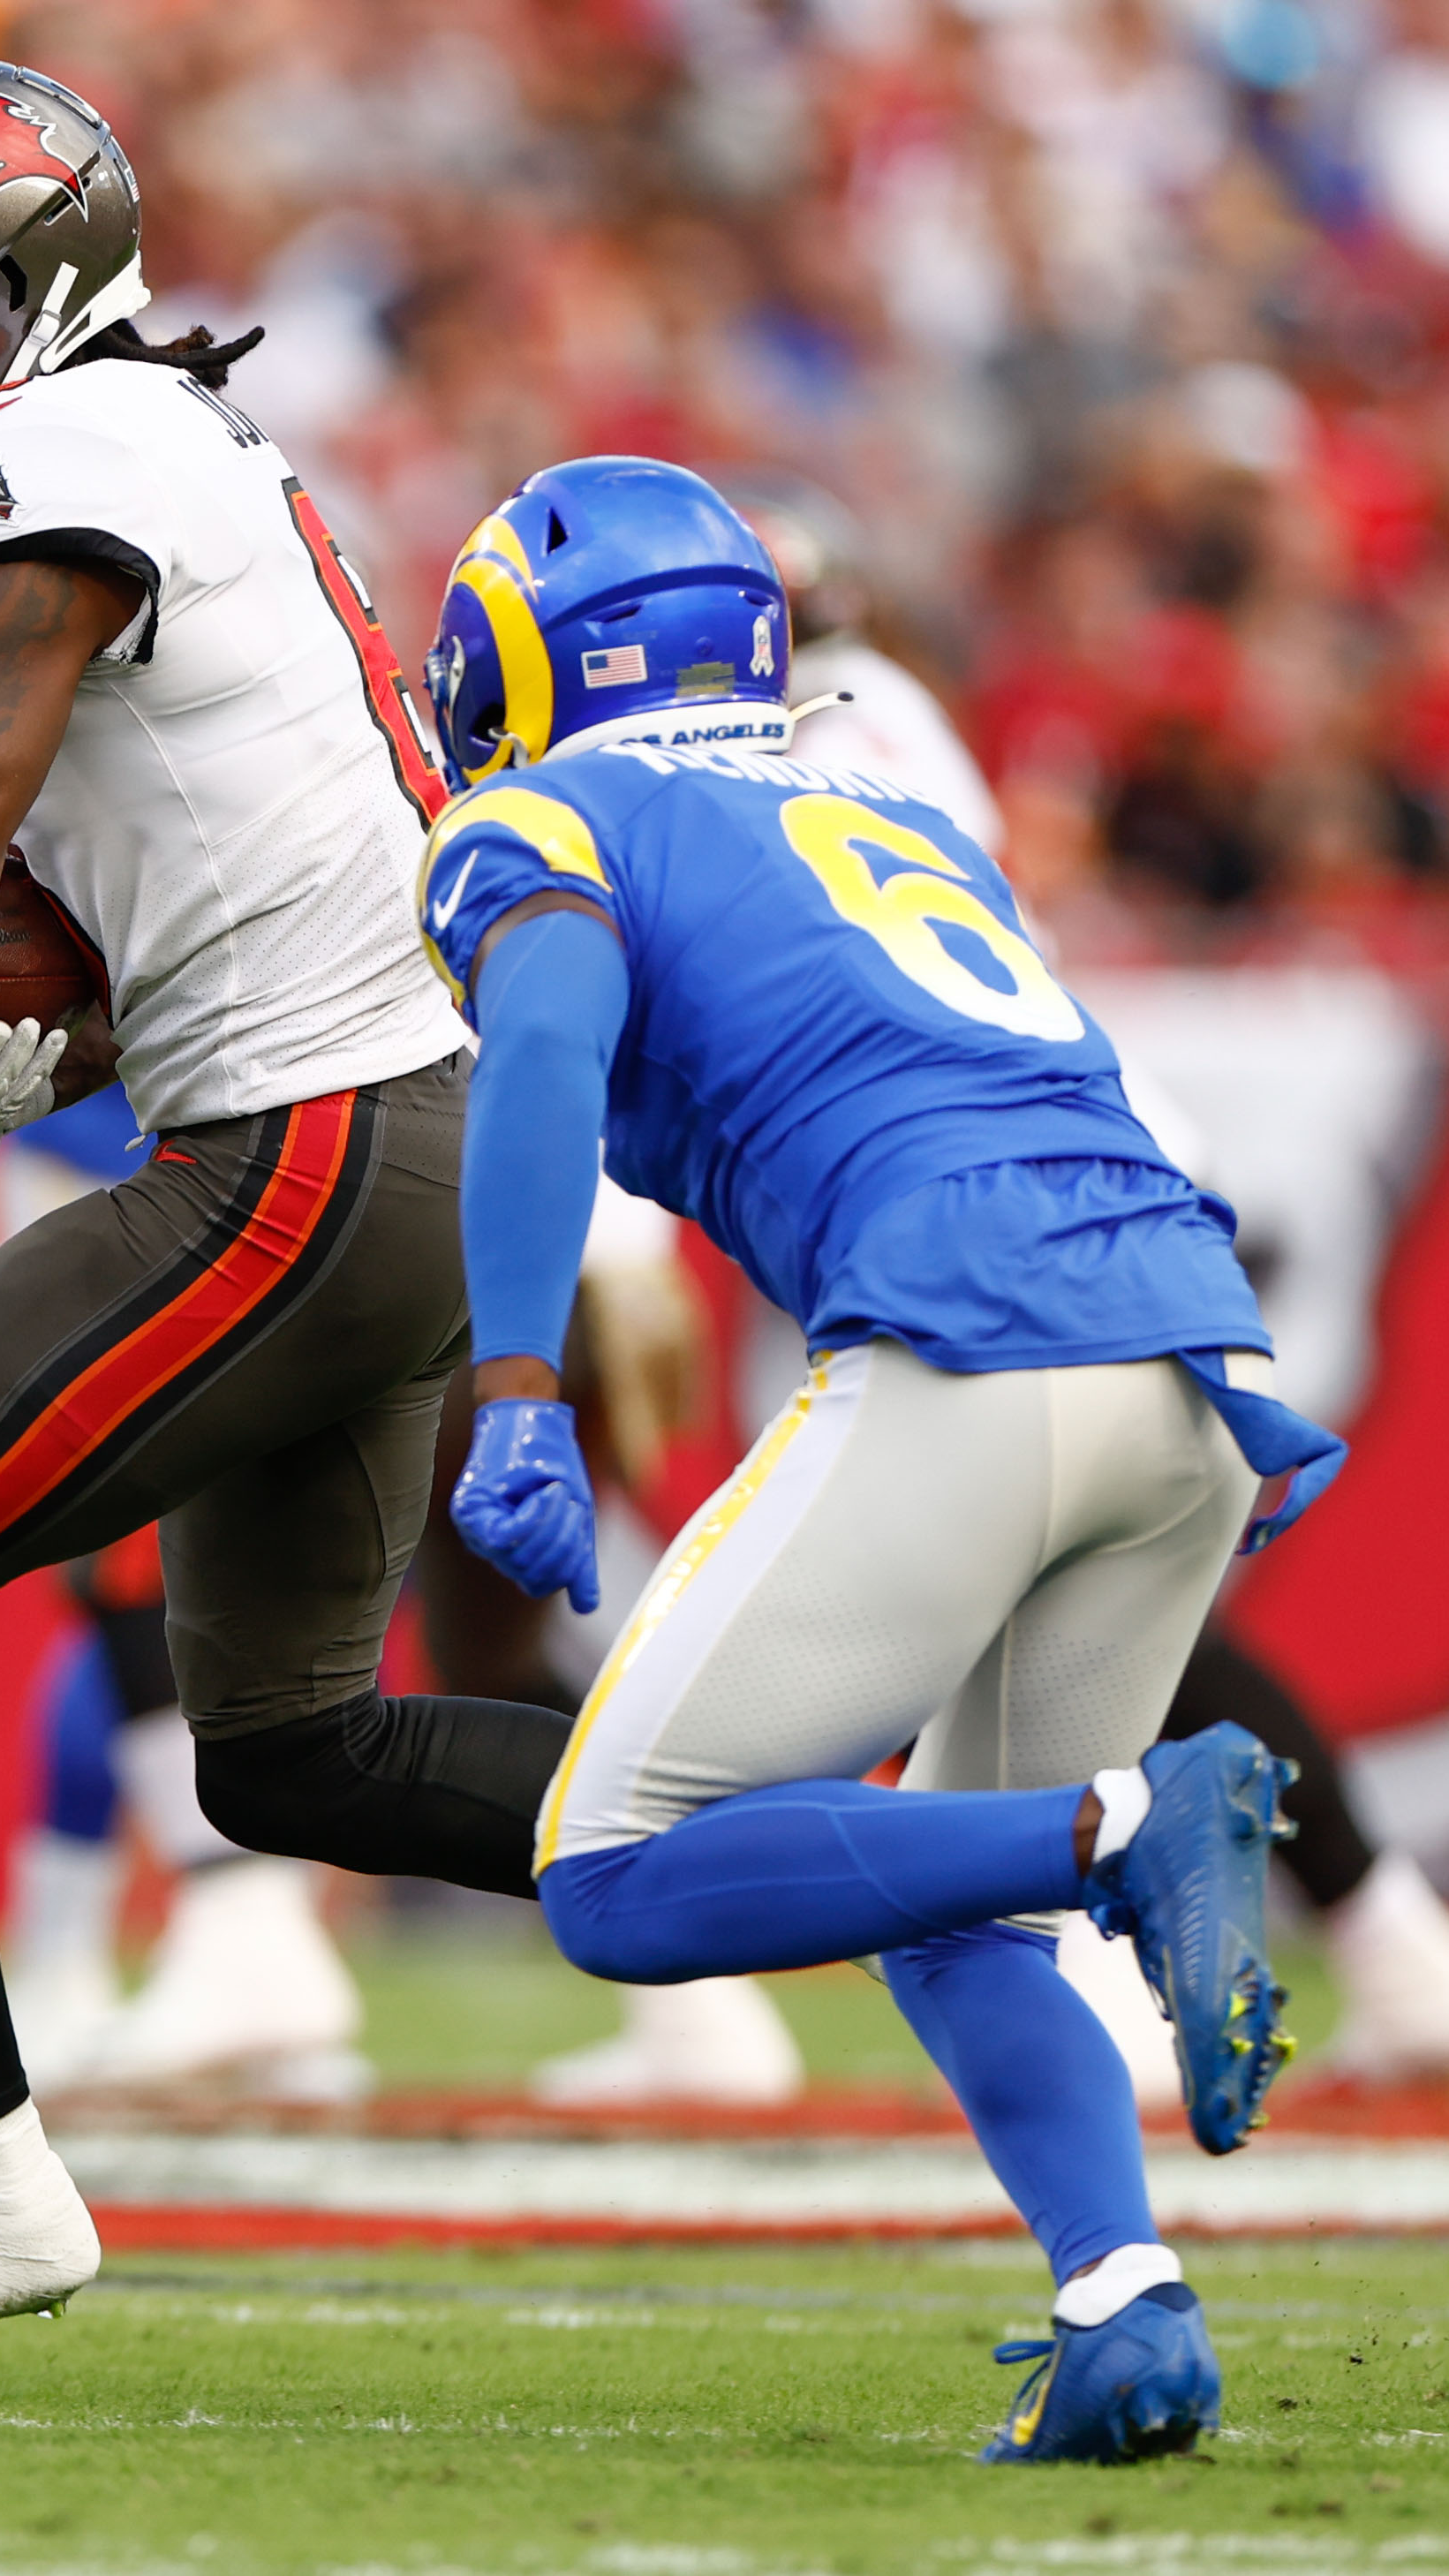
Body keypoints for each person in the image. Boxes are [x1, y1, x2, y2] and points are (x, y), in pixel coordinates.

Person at [0, 55, 581, 2379]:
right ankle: (965, 1851)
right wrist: (32, 1041)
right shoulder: (172, 441)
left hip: (303, 1152)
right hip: (405, 1124)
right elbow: (157, 920)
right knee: (292, 1753)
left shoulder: (46, 451)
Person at [415, 456, 1344, 2462]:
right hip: (1181, 1345)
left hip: (969, 1329)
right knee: (953, 1889)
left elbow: (550, 1052)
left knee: (614, 1867)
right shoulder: (887, 797)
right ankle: (1124, 2300)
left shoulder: (555, 812)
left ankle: (1130, 1830)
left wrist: (512, 1382)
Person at [516, 472, 1449, 2111]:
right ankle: (1356, 1951)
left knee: (918, 1628)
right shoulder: (873, 742)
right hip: (1095, 1180)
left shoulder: (737, 776)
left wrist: (596, 1267)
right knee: (1082, 1592)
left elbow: (656, 992)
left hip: (964, 1199)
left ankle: (1173, 1896)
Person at [0, 1090, 372, 2101]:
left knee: (204, 1584)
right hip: (216, 1162)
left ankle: (248, 1944)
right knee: (158, 1584)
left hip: (291, 1163)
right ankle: (224, 1945)